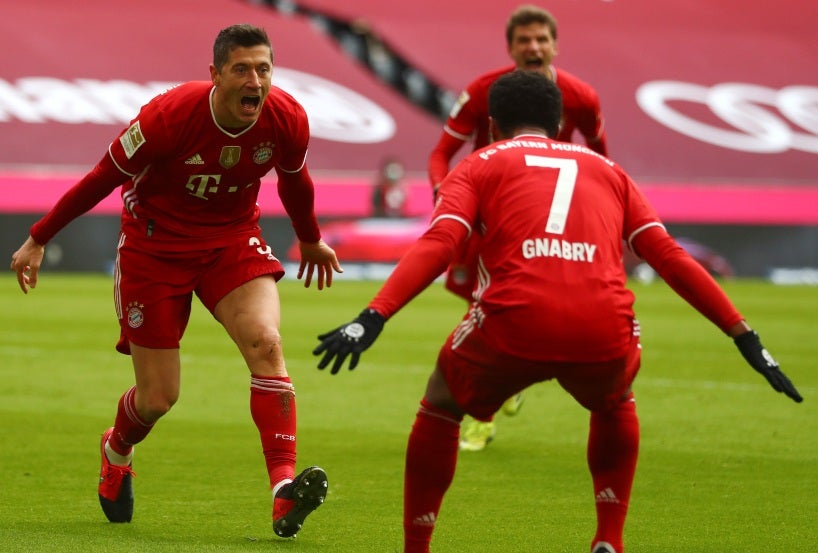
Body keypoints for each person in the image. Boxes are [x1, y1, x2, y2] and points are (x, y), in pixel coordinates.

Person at [313, 71, 802, 553]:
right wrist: (744, 334)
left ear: (495, 124)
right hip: (602, 326)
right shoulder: (611, 172)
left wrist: (373, 316)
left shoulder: (481, 162)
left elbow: (441, 243)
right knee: (615, 400)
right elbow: (669, 257)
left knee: (441, 402)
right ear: (559, 119)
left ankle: (417, 547)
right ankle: (609, 537)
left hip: (514, 322)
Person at [10, 24, 342, 538]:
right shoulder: (167, 118)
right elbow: (103, 176)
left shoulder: (287, 118)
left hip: (231, 240)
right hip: (154, 247)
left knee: (267, 343)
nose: (254, 80)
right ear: (215, 75)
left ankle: (282, 491)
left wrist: (312, 238)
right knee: (158, 398)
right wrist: (38, 237)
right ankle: (116, 450)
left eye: (263, 69)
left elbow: (295, 181)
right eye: (241, 69)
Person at [429, 4, 610, 451]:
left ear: (554, 45)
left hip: (541, 220)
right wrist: (443, 193)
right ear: (511, 48)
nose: (533, 47)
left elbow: (602, 158)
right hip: (483, 211)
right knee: (479, 300)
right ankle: (509, 380)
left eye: (541, 39)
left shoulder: (581, 97)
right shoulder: (483, 91)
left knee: (488, 304)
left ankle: (480, 415)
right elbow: (440, 154)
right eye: (524, 40)